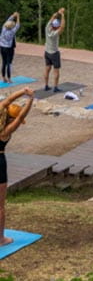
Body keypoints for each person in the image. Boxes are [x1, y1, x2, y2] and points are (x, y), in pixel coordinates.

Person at [1, 87, 34, 247]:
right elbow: (21, 116)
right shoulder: (5, 131)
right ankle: (0, 239)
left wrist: (22, 91)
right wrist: (30, 100)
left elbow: (6, 102)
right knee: (0, 206)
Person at [44, 8, 66, 92]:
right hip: (54, 53)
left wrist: (58, 12)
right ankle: (55, 87)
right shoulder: (55, 34)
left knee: (47, 69)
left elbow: (52, 17)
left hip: (47, 52)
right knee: (56, 71)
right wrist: (62, 15)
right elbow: (62, 27)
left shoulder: (47, 28)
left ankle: (46, 85)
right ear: (57, 27)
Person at [0, 12, 20, 83]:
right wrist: (17, 17)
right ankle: (9, 78)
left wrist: (13, 15)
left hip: (2, 47)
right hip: (9, 48)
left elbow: (8, 20)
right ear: (12, 26)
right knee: (9, 63)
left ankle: (3, 77)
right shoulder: (12, 31)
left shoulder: (3, 28)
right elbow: (18, 25)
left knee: (4, 62)